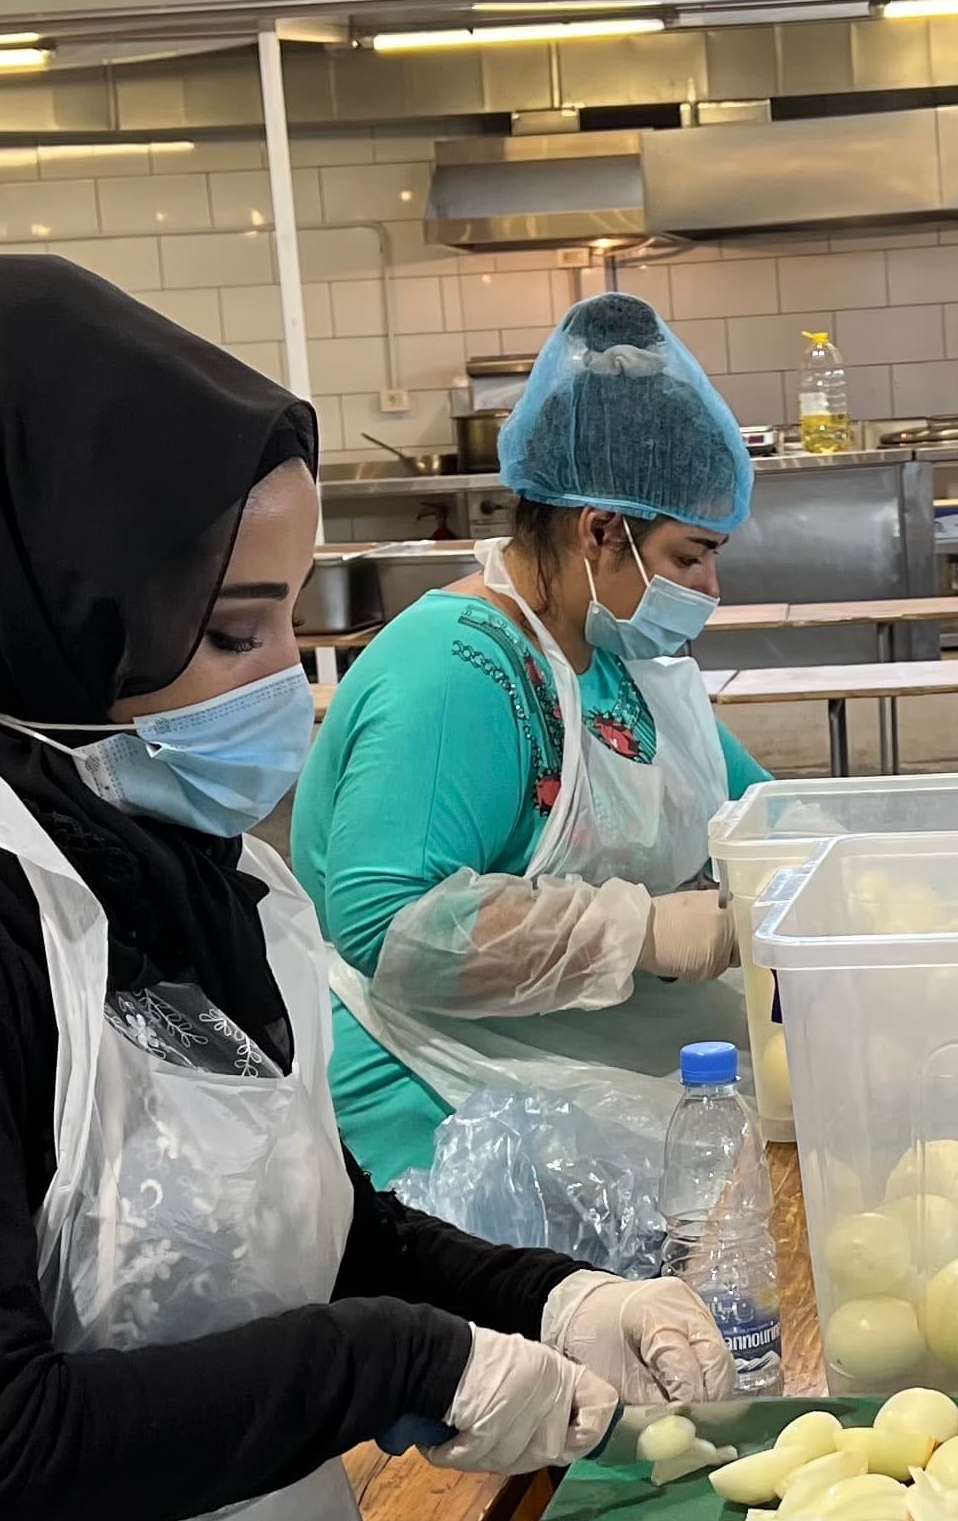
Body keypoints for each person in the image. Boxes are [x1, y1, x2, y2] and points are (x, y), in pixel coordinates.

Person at [0, 256, 730, 1521]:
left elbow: (288, 1219)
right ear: (50, 605)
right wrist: (404, 1359)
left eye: (290, 615)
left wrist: (553, 1298)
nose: (288, 680)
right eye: (235, 628)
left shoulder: (171, 859)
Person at [296, 291, 769, 1183]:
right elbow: (384, 925)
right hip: (439, 1092)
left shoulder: (620, 655)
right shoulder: (455, 670)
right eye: (690, 555)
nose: (710, 586)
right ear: (600, 530)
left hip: (572, 1043)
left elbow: (757, 815)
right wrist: (646, 933)